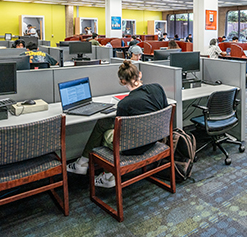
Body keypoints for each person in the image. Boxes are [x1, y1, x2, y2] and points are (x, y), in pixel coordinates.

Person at [66, 60, 169, 188]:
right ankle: (84, 162)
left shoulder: (125, 104)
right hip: (154, 139)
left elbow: (121, 134)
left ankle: (107, 176)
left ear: (122, 82)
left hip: (133, 147)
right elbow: (164, 112)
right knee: (103, 123)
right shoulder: (158, 88)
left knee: (105, 134)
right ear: (140, 75)